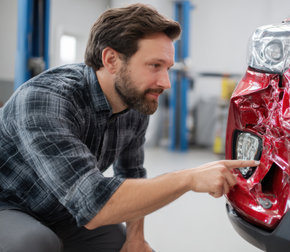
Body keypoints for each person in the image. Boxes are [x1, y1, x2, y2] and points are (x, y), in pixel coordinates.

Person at [0, 4, 258, 252]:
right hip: (8, 205)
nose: (166, 82)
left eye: (167, 68)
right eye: (154, 66)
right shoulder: (46, 100)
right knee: (32, 242)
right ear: (111, 60)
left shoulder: (134, 103)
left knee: (121, 244)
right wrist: (188, 179)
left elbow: (131, 172)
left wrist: (136, 239)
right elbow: (91, 204)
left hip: (60, 208)